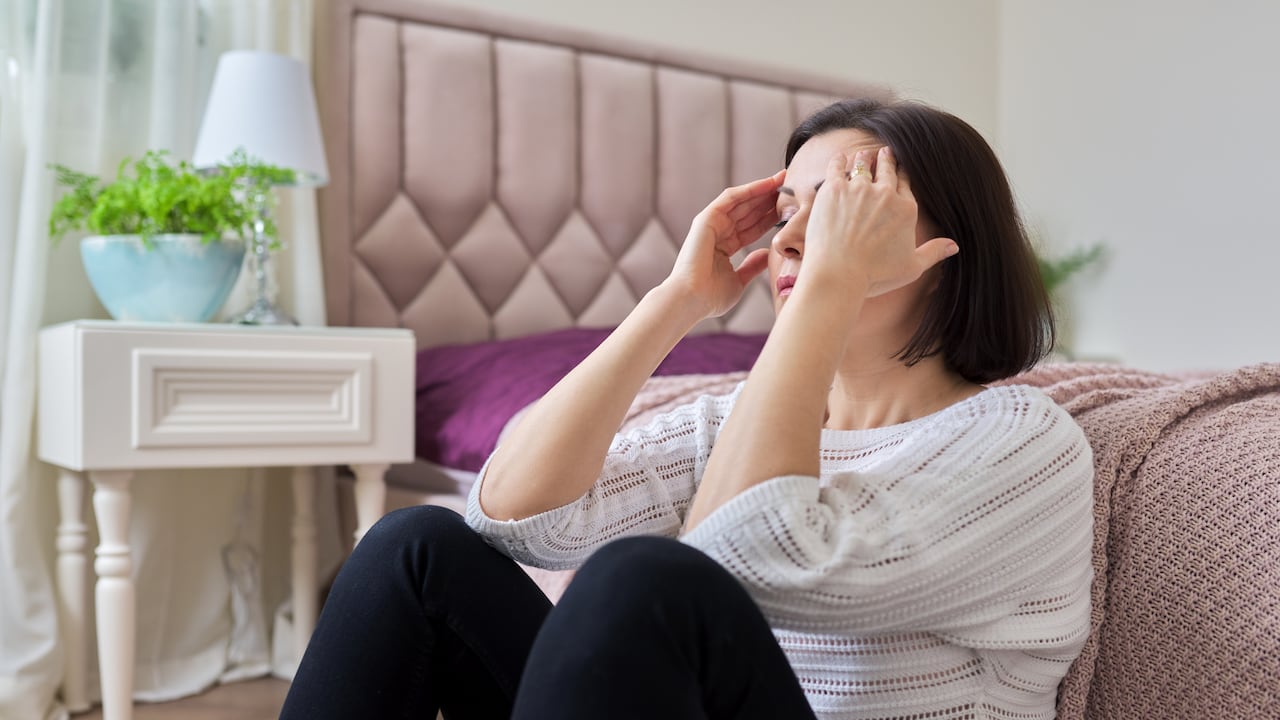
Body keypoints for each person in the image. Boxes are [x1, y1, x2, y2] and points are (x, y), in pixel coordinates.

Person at [280, 98, 1093, 720]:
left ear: (949, 249)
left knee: (648, 579)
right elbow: (509, 518)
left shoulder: (1024, 441)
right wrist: (675, 302)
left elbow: (741, 554)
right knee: (415, 546)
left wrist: (831, 285)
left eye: (842, 207)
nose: (794, 237)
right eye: (786, 212)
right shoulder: (739, 421)